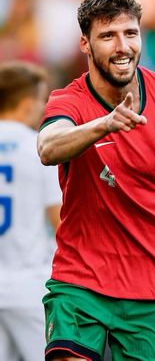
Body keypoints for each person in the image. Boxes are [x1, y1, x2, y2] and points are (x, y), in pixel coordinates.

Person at [37, 0, 155, 361]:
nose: (122, 46)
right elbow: (49, 147)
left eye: (130, 33)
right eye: (107, 36)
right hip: (81, 281)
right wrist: (103, 125)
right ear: (85, 44)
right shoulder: (69, 101)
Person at [0, 61, 62, 361]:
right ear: (26, 103)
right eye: (41, 101)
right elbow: (59, 220)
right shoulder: (37, 148)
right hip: (28, 281)